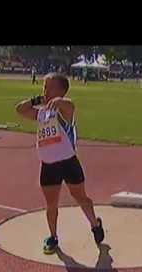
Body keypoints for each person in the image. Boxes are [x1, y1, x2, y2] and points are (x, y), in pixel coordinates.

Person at [15, 73, 104, 255]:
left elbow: (70, 105)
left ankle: (95, 225)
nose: (45, 90)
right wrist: (37, 99)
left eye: (50, 87)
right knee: (51, 205)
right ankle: (53, 237)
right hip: (48, 164)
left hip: (68, 162)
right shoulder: (42, 113)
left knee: (80, 197)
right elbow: (20, 109)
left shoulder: (65, 111)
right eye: (44, 87)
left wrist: (59, 101)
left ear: (61, 90)